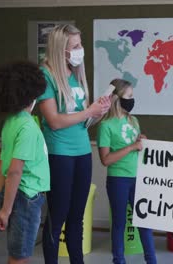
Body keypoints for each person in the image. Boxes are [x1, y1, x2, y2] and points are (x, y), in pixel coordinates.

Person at [38, 24, 110, 264]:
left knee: (77, 217)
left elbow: (81, 121)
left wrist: (97, 113)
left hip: (81, 151)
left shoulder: (74, 74)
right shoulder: (46, 75)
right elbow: (55, 121)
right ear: (61, 49)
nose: (81, 50)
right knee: (57, 216)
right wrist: (88, 110)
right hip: (60, 154)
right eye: (76, 46)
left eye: (80, 44)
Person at [0, 60, 50, 264]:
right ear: (31, 95)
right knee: (20, 256)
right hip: (26, 197)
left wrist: (4, 201)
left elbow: (3, 161)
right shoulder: (28, 127)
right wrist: (6, 210)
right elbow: (15, 170)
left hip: (15, 194)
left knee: (17, 252)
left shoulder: (11, 122)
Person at [97, 79, 157, 264]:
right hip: (118, 180)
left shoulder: (134, 120)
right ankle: (119, 260)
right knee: (119, 223)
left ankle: (151, 260)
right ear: (117, 98)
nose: (132, 100)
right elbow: (105, 159)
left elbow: (138, 145)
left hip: (138, 177)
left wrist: (142, 140)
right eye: (129, 96)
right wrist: (131, 147)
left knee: (144, 223)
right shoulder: (105, 126)